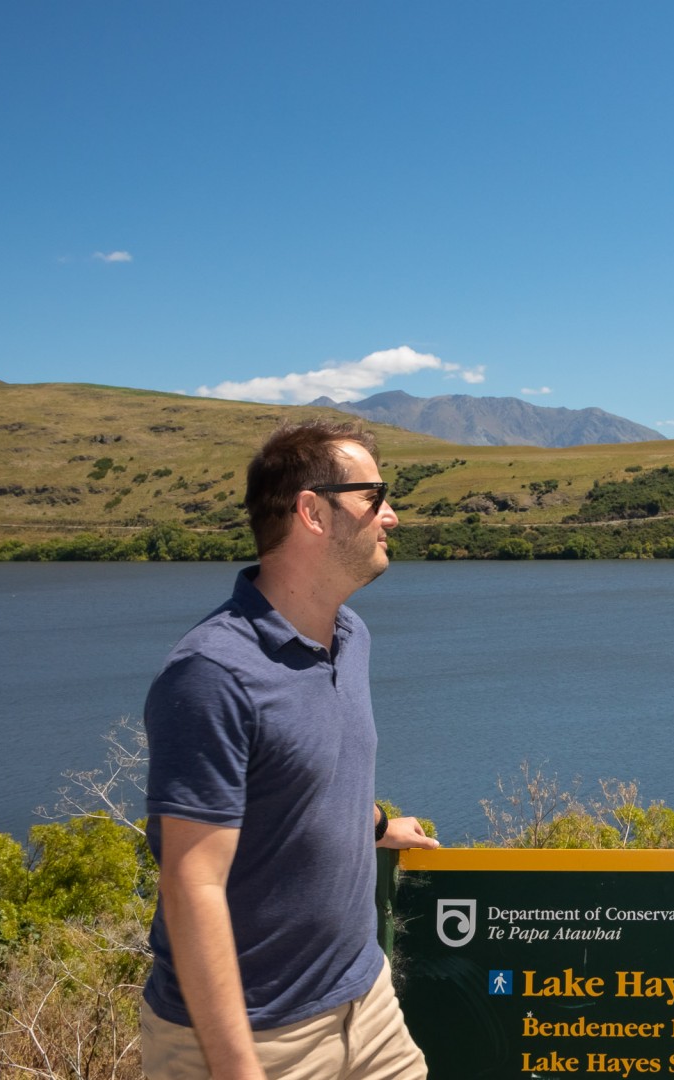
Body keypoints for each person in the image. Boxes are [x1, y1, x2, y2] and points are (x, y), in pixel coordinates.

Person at [140, 420, 441, 1079]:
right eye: (374, 496)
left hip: (367, 1006)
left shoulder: (350, 637)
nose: (391, 515)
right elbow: (192, 883)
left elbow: (308, 782)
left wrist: (382, 828)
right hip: (254, 1041)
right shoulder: (213, 674)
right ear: (312, 511)